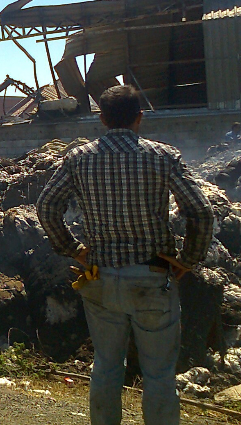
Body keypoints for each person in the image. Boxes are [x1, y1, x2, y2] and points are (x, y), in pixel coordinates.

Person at [37, 85, 213, 425]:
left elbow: (46, 207)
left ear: (101, 118)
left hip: (101, 279)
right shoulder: (163, 156)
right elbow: (202, 212)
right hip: (153, 279)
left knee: (105, 365)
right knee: (159, 373)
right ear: (139, 117)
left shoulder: (78, 159)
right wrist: (189, 260)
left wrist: (74, 250)